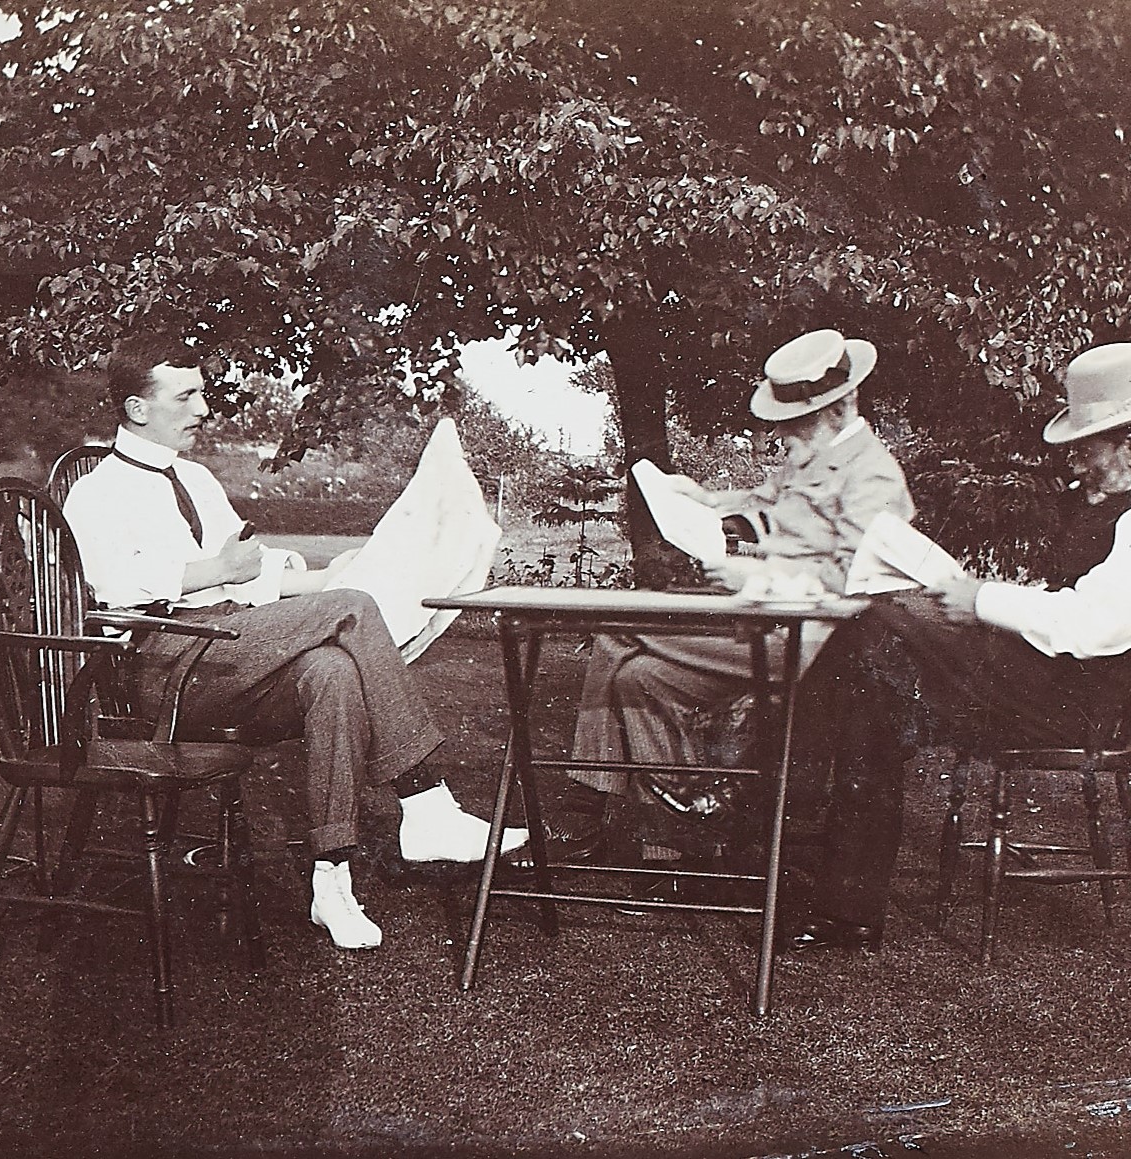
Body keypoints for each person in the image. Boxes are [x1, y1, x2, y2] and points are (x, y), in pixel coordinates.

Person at [62, 342, 527, 952]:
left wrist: (336, 572)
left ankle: (331, 880)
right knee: (354, 607)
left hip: (228, 646)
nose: (204, 408)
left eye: (202, 392)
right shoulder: (96, 492)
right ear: (137, 409)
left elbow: (252, 574)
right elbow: (100, 588)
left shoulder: (196, 479)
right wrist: (209, 571)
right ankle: (425, 802)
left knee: (330, 670)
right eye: (187, 396)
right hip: (161, 664)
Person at [786, 341, 1131, 955]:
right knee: (872, 672)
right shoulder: (1120, 505)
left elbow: (1093, 627)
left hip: (1087, 710)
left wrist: (981, 600)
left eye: (1086, 448)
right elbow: (1073, 599)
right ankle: (832, 895)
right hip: (1051, 686)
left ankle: (772, 823)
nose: (1075, 462)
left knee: (874, 631)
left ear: (1130, 448)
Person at [560, 330, 915, 866]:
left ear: (841, 407)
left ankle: (588, 804)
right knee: (641, 679)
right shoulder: (815, 457)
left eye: (798, 421)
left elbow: (854, 579)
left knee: (616, 631)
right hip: (770, 626)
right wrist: (702, 500)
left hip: (818, 648)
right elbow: (764, 501)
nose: (783, 435)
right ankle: (674, 853)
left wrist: (753, 573)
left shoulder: (875, 477)